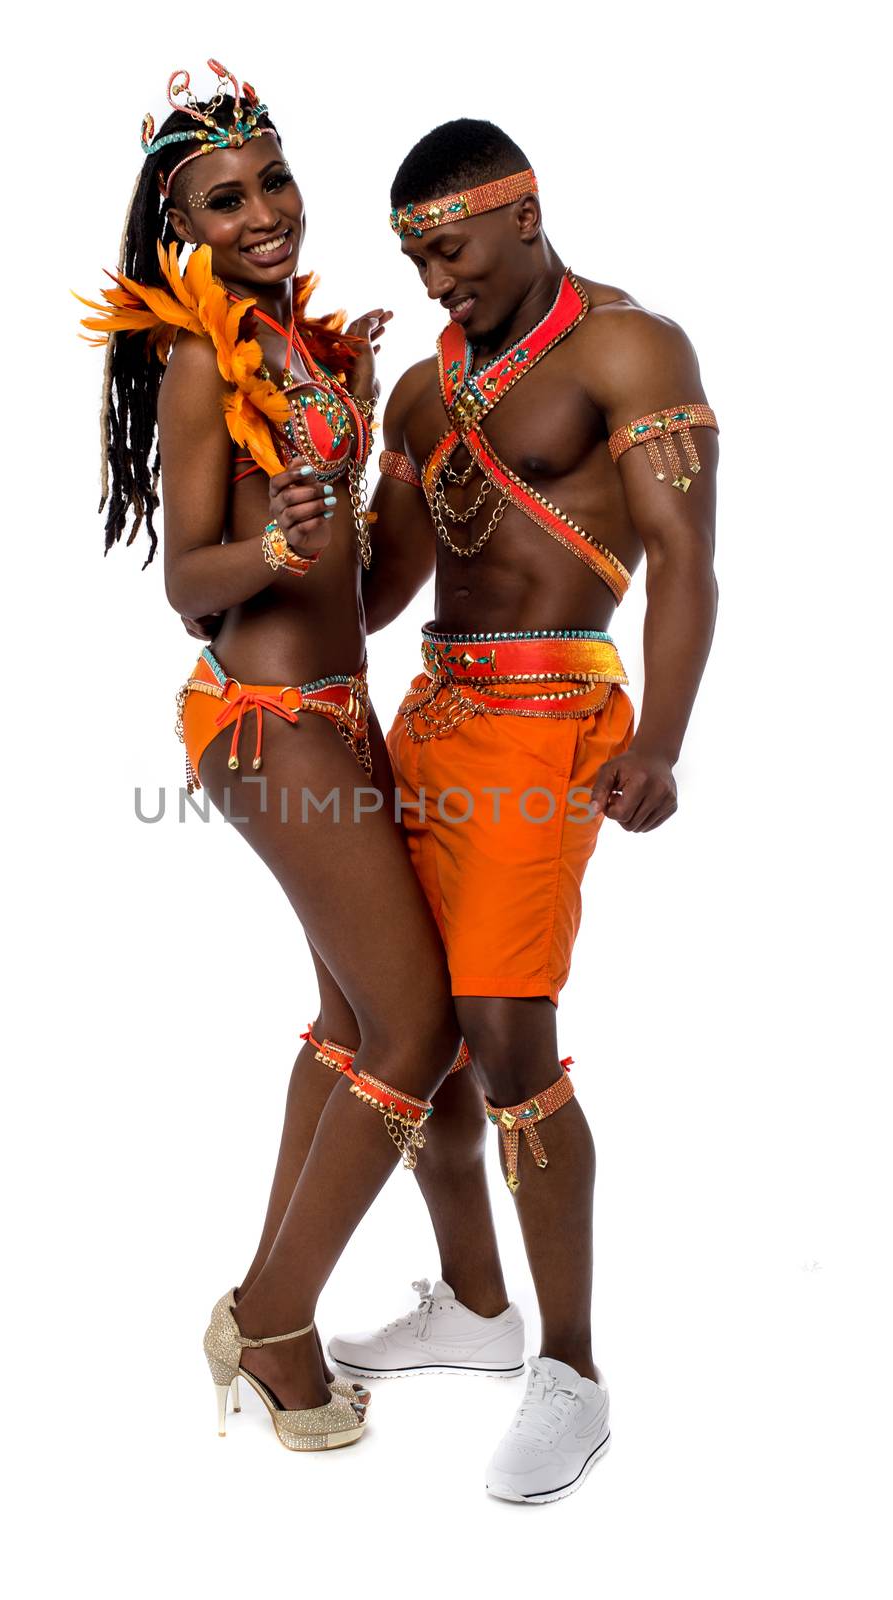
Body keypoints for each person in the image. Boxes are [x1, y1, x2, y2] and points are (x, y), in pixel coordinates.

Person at [76, 62, 466, 1454]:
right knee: (422, 1032)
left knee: (363, 1028)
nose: (264, 213)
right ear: (179, 223)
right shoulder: (198, 356)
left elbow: (350, 603)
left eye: (276, 181)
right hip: (266, 728)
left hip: (336, 709)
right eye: (224, 197)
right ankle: (274, 1322)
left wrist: (383, 496)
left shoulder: (300, 346)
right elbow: (192, 578)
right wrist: (282, 546)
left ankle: (265, 1308)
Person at [327, 118, 719, 1504]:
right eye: (414, 256)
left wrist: (660, 742)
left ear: (522, 214)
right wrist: (332, 445)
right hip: (426, 719)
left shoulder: (631, 350)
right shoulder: (425, 398)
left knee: (506, 1038)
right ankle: (475, 1311)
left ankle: (569, 1368)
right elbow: (374, 603)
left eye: (451, 248)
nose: (436, 281)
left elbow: (683, 563)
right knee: (414, 1028)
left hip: (551, 723)